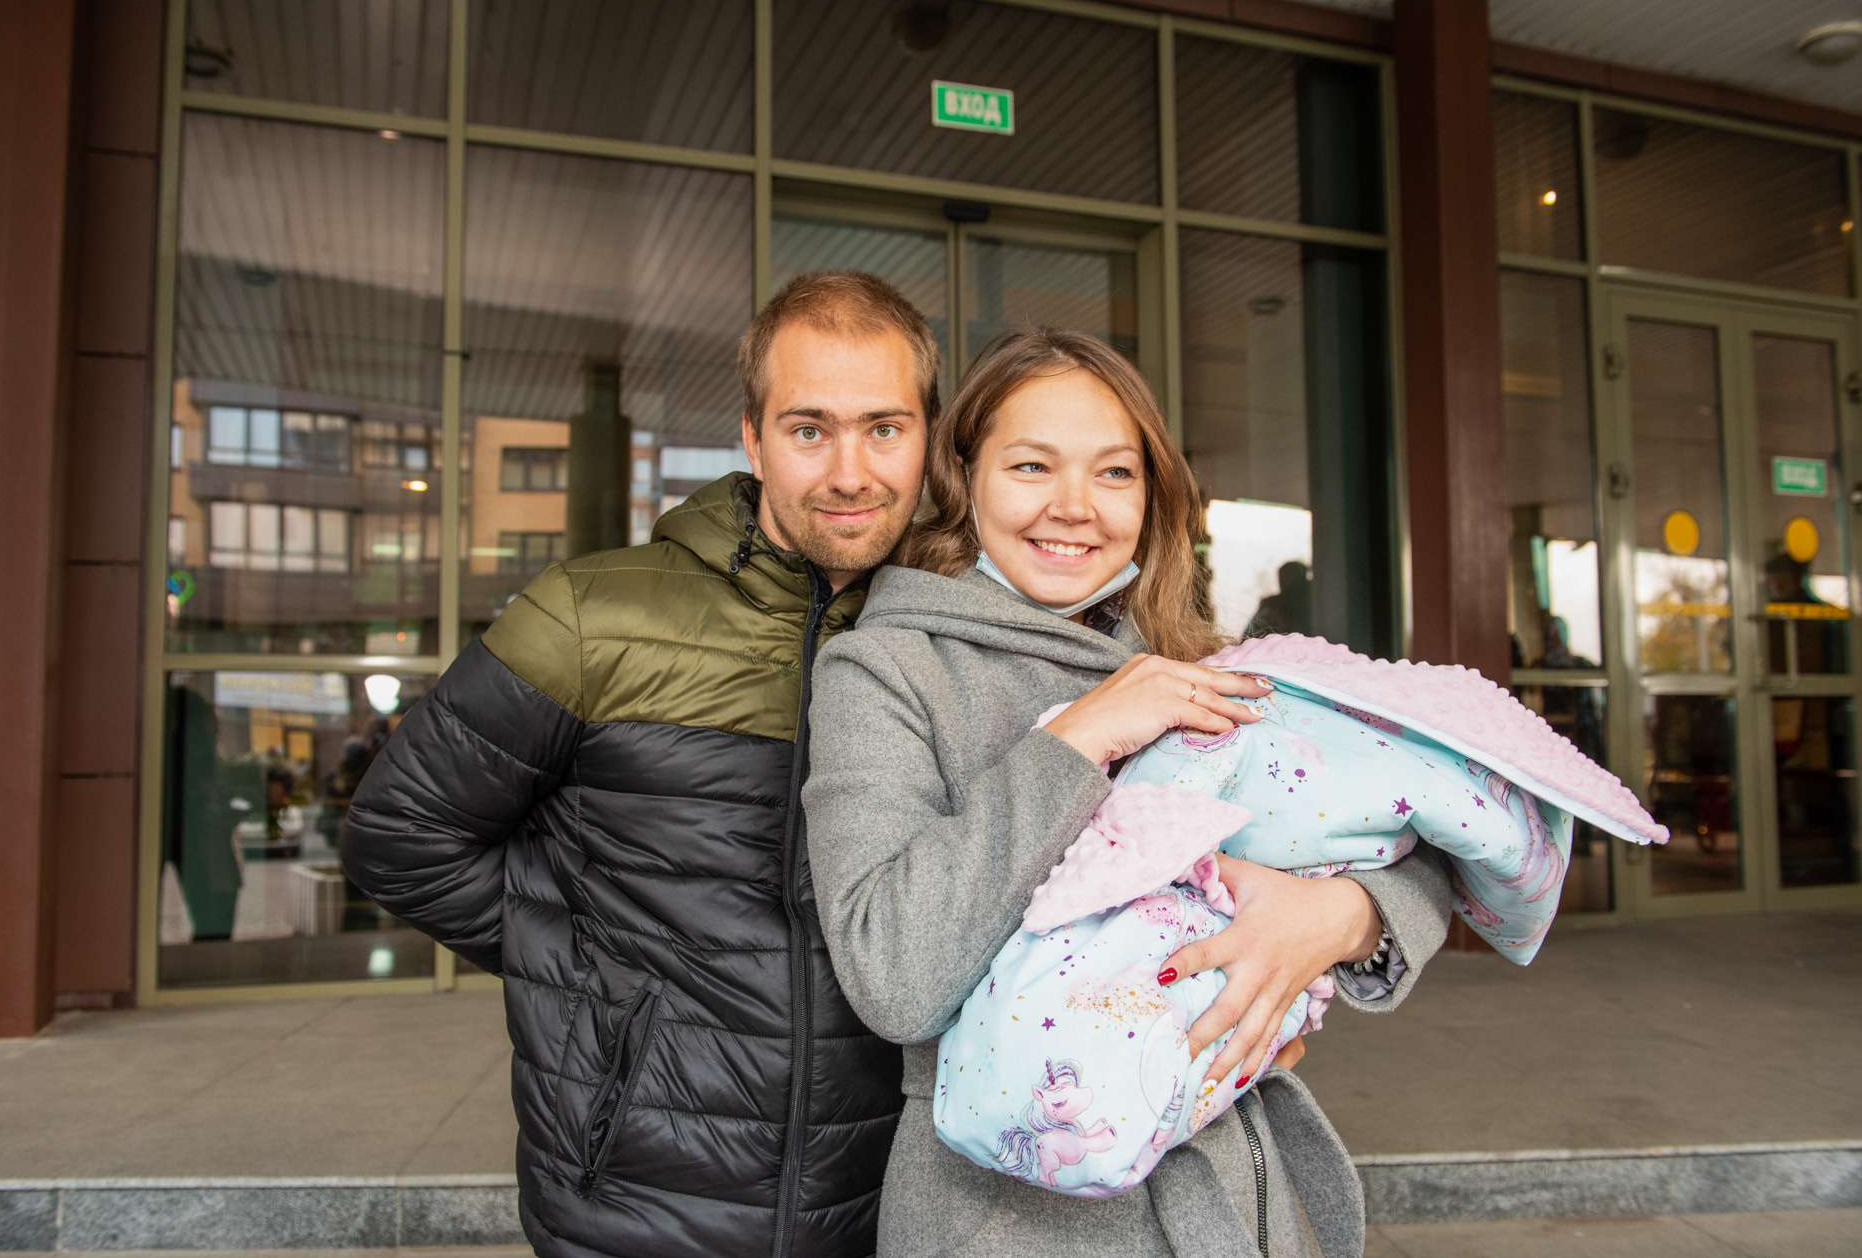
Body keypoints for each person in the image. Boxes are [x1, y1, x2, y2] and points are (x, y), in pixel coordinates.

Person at [802, 329, 1456, 1257]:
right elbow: (895, 975)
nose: (1074, 508)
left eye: (1115, 474)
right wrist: (1080, 739)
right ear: (965, 479)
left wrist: (1342, 918)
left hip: (1230, 1190)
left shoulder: (1200, 660)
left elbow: (1414, 832)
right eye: (1032, 466)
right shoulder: (886, 671)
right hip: (1008, 1223)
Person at [341, 272, 943, 1258]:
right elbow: (399, 832)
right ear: (750, 438)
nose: (849, 471)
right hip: (638, 1195)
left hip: (894, 1198)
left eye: (884, 428)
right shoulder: (592, 614)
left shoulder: (955, 634)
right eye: (808, 429)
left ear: (926, 435)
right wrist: (593, 971)